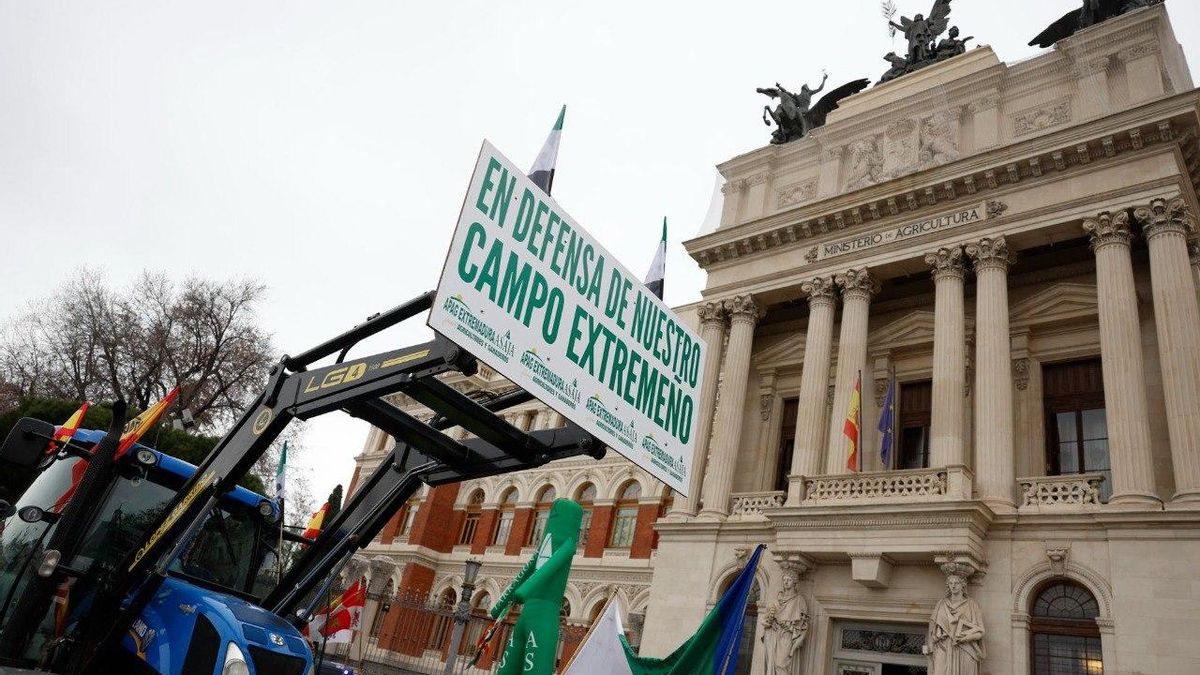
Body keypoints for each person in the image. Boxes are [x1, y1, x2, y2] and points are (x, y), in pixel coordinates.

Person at [923, 572, 985, 675]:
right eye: (951, 583)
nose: (953, 586)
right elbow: (932, 629)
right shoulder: (941, 604)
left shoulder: (972, 605)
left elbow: (981, 632)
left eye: (956, 583)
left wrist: (965, 638)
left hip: (965, 648)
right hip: (943, 647)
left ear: (963, 585)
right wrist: (932, 643)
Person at [760, 570, 809, 675]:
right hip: (774, 634)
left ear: (794, 583)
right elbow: (764, 619)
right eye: (784, 579)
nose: (786, 582)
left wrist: (794, 633)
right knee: (772, 663)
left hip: (787, 635)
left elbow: (803, 625)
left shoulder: (799, 600)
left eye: (789, 580)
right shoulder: (777, 600)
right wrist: (769, 622)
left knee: (780, 664)